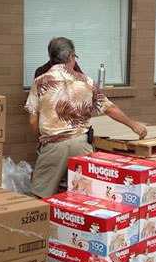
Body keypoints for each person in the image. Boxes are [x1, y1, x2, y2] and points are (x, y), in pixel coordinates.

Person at [25, 37, 147, 198]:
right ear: (71, 57)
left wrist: (42, 140)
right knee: (88, 195)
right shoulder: (86, 82)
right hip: (81, 145)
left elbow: (33, 121)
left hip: (53, 145)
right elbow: (109, 108)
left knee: (39, 197)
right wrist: (133, 125)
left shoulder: (40, 82)